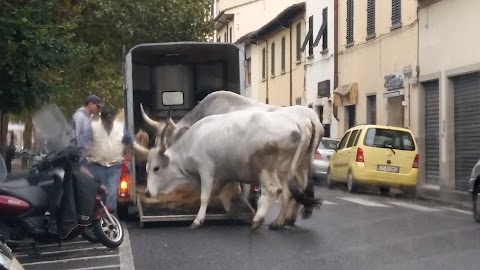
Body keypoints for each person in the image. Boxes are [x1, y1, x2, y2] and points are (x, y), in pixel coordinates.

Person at [87, 106, 132, 213]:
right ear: (101, 119)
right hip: (96, 165)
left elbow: (129, 140)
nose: (108, 122)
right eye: (106, 120)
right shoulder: (93, 127)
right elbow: (83, 141)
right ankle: (98, 217)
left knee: (111, 192)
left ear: (114, 118)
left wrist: (130, 150)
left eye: (110, 120)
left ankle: (110, 216)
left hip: (114, 166)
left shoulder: (120, 128)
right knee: (98, 193)